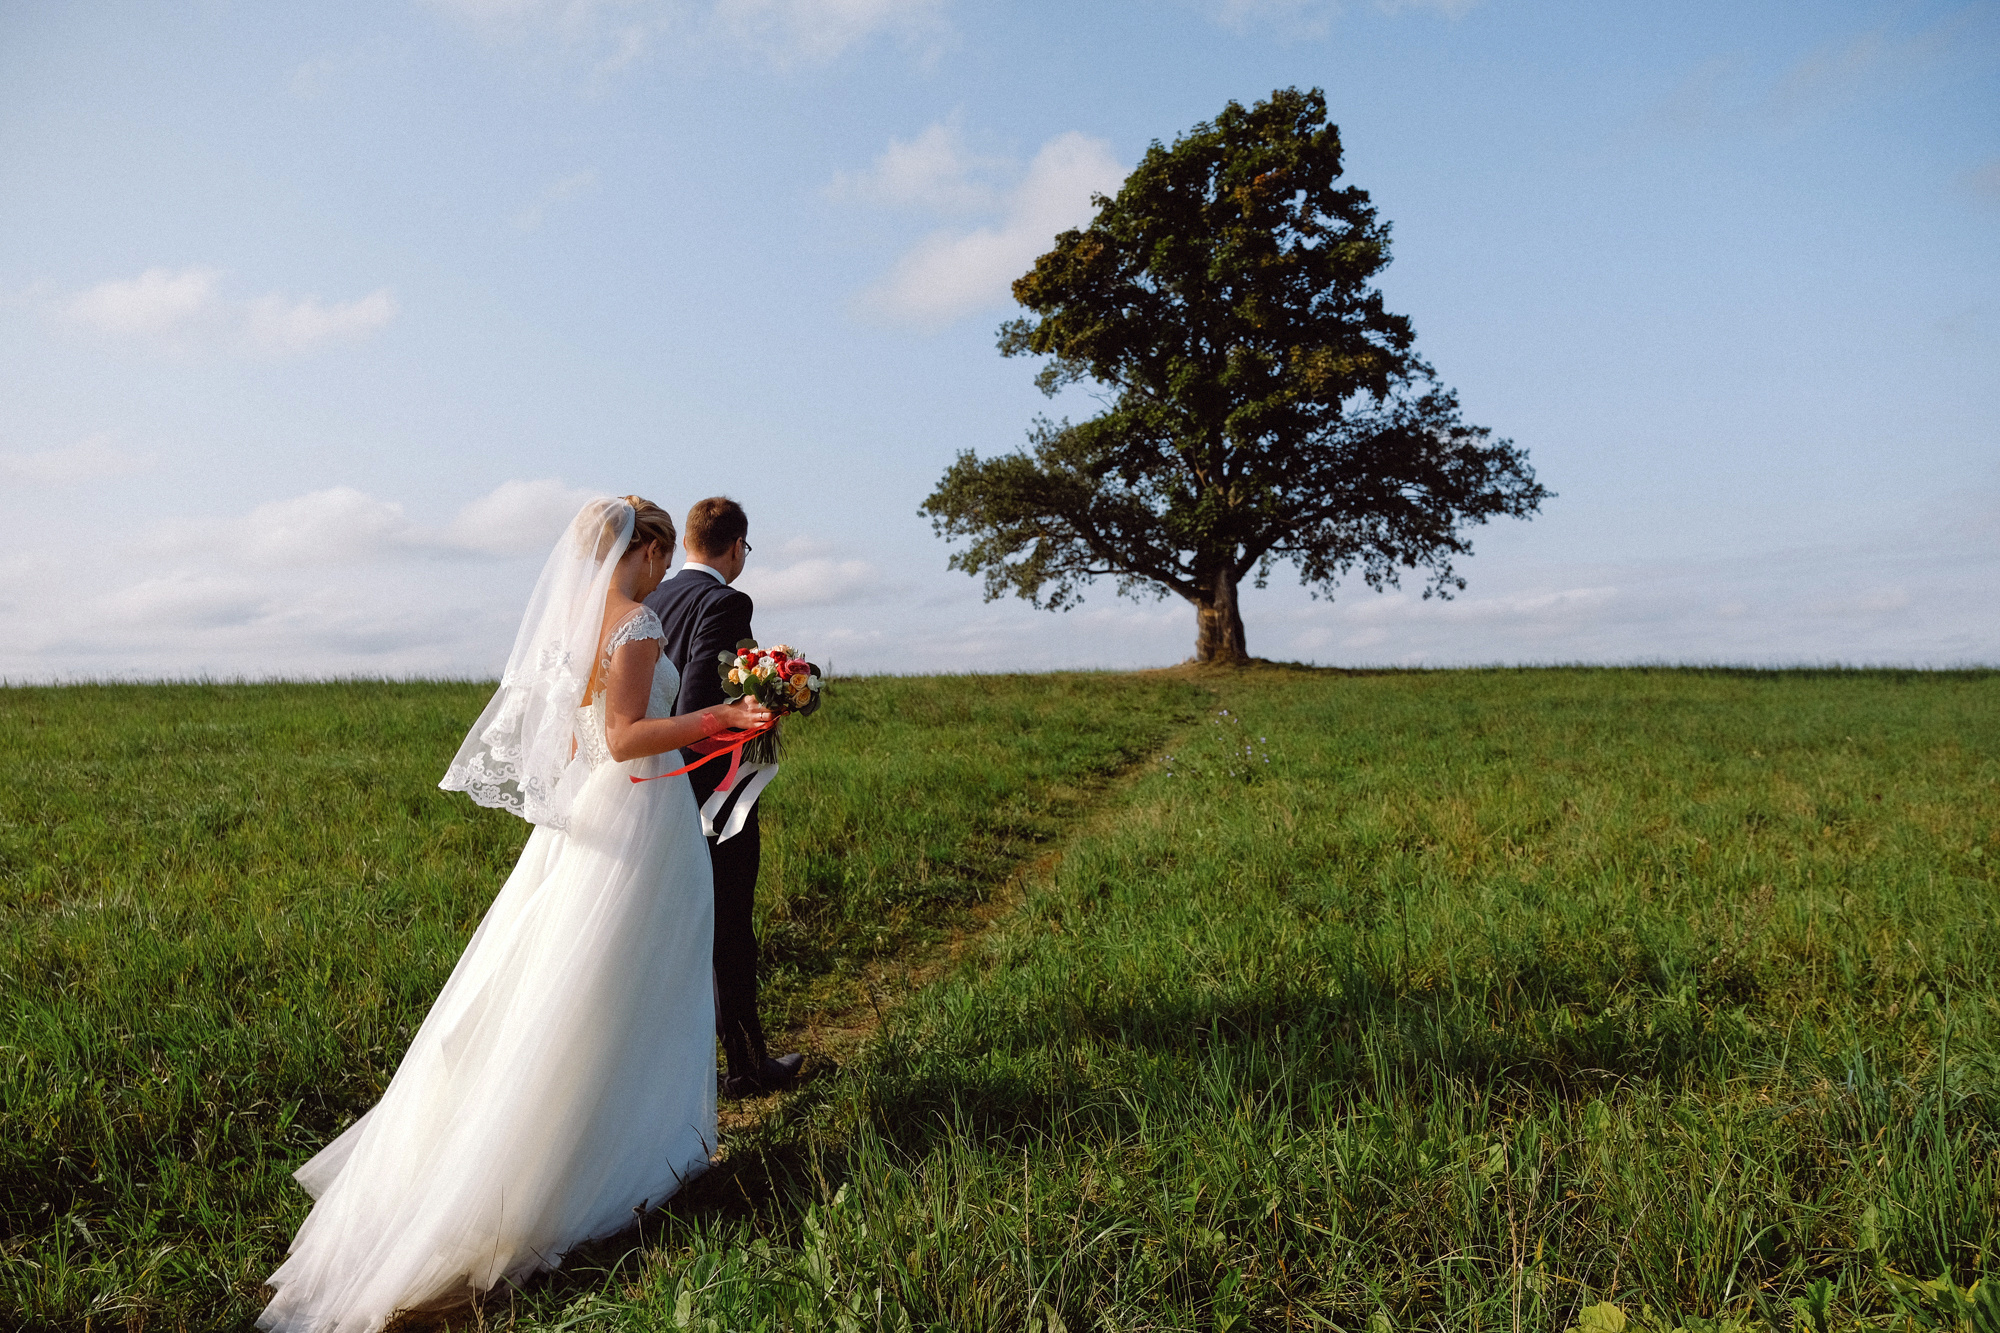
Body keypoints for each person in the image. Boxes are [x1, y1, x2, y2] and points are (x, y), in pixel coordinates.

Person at [258, 496, 772, 1333]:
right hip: (640, 816)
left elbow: (577, 742)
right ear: (639, 552)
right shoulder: (636, 624)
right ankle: (625, 1151)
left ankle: (601, 1129)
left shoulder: (574, 633)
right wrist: (719, 717)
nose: (659, 566)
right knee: (630, 978)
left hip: (597, 818)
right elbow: (629, 731)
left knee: (576, 977)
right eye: (656, 550)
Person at [644, 496, 804, 1099]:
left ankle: (675, 1071)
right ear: (736, 547)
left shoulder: (651, 597)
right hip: (712, 793)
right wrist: (762, 710)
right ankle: (744, 1066)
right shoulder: (728, 601)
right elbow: (701, 705)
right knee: (731, 929)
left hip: (650, 790)